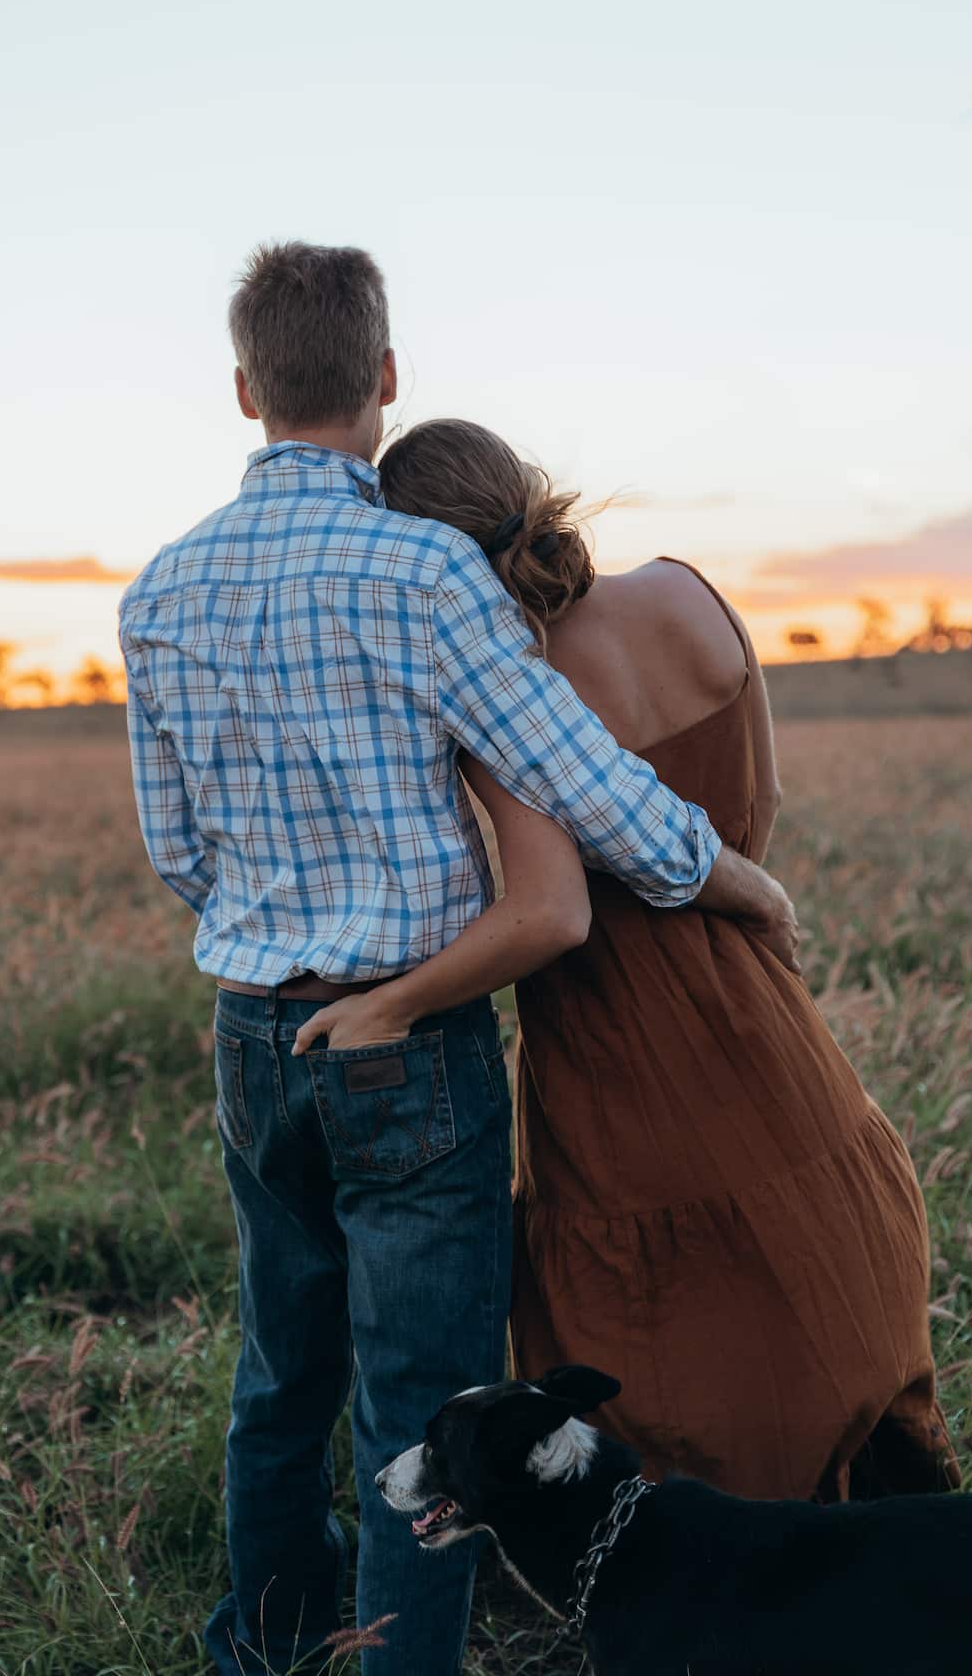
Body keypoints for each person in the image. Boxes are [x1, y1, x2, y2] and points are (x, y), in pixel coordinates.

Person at [118, 243, 798, 1676]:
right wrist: (740, 883)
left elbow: (175, 849)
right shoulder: (429, 571)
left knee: (277, 1375)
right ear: (382, 378)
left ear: (245, 389)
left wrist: (276, 941)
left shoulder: (163, 589)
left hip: (254, 1029)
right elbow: (594, 792)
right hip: (413, 1047)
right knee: (420, 1398)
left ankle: (272, 1643)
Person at [329, 415, 957, 1506]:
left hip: (616, 1065)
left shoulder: (507, 698)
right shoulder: (688, 594)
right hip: (765, 1015)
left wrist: (389, 1002)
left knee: (661, 1348)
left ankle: (699, 1581)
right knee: (821, 1279)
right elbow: (750, 820)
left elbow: (546, 913)